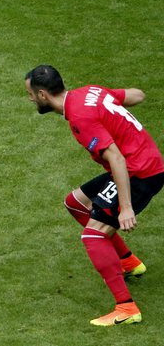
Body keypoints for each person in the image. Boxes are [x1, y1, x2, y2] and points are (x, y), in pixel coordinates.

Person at [26, 64, 164, 327]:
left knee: (94, 234)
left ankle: (126, 308)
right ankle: (128, 262)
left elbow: (117, 159)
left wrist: (125, 208)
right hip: (141, 162)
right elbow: (137, 95)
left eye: (31, 94)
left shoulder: (80, 118)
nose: (30, 99)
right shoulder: (90, 92)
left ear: (43, 94)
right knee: (76, 203)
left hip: (138, 171)